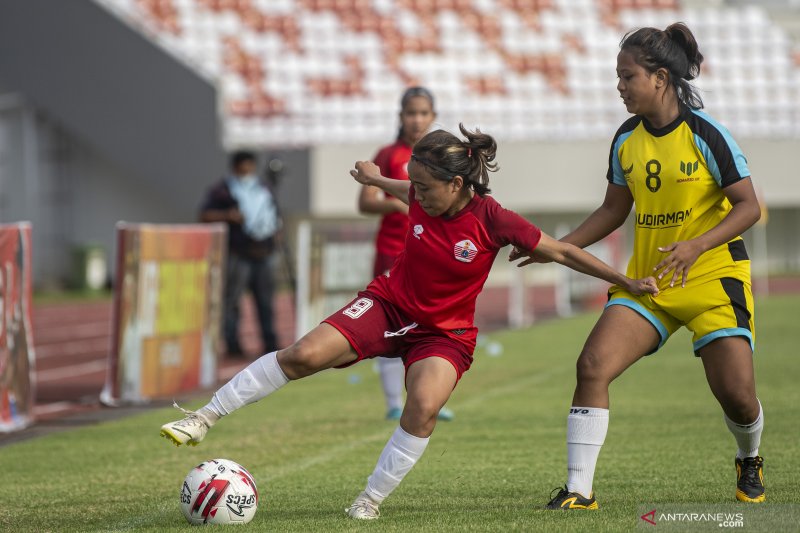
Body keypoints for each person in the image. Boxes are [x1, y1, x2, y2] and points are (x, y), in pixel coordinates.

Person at [161, 124, 658, 520]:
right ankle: (203, 418)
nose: (415, 195)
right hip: (388, 305)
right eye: (413, 184)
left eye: (423, 186)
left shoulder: (494, 219)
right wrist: (373, 177)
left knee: (421, 406)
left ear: (456, 184)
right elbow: (396, 186)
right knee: (302, 355)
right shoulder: (422, 191)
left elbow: (565, 250)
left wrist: (625, 280)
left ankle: (369, 500)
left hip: (445, 334)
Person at [514, 23, 765, 509]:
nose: (620, 87)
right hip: (647, 284)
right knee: (592, 366)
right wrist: (557, 247)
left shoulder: (707, 135)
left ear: (660, 78)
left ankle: (749, 456)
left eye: (627, 76)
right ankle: (579, 490)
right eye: (618, 76)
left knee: (737, 396)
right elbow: (612, 210)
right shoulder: (626, 139)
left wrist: (696, 246)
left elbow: (748, 207)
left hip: (713, 278)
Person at [358, 86, 453, 421]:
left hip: (430, 254)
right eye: (411, 113)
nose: (416, 119)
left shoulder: (442, 155)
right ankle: (392, 402)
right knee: (389, 323)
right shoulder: (388, 154)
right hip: (392, 250)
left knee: (429, 323)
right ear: (401, 116)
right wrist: (402, 205)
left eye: (423, 113)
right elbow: (366, 202)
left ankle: (427, 397)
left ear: (433, 116)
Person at [199, 151, 281, 357]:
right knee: (233, 300)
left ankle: (270, 342)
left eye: (250, 167)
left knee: (265, 300)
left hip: (264, 251)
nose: (247, 172)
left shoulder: (263, 188)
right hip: (239, 253)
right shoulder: (222, 190)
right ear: (235, 168)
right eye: (243, 168)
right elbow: (204, 214)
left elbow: (275, 214)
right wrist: (228, 216)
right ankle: (233, 344)